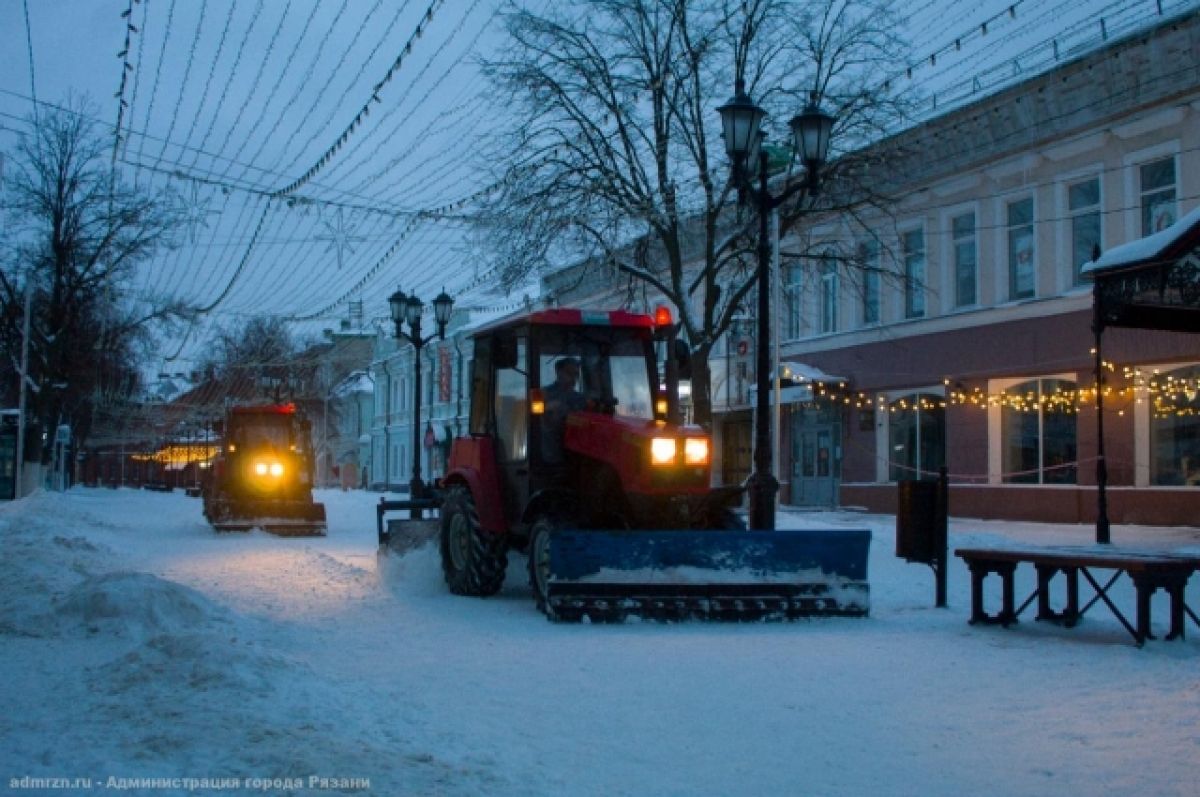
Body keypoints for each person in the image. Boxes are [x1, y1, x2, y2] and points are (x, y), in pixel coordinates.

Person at [541, 357, 586, 464]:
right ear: (558, 372)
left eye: (576, 374)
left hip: (576, 454)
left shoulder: (581, 399)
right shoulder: (543, 394)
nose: (573, 378)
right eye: (569, 373)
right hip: (549, 454)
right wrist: (548, 409)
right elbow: (537, 420)